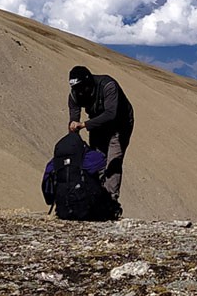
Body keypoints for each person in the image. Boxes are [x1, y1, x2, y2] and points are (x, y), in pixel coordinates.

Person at [67, 65, 135, 214]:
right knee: (97, 160)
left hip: (120, 125)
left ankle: (110, 202)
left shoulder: (108, 86)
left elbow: (111, 114)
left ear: (88, 83)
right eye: (75, 88)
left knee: (113, 161)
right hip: (97, 125)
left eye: (81, 87)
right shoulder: (75, 94)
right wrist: (73, 125)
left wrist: (84, 124)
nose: (79, 91)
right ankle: (95, 198)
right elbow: (74, 113)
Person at [41, 132, 118, 221]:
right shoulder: (88, 157)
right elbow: (103, 160)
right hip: (87, 211)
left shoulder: (53, 163)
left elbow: (46, 188)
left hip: (63, 211)